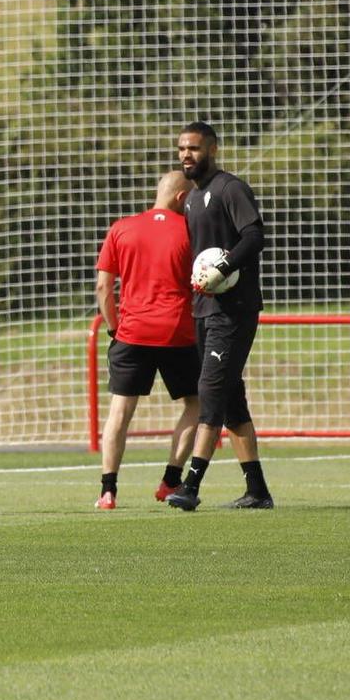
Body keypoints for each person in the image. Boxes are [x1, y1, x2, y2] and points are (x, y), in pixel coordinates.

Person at [167, 120, 274, 511]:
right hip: (205, 308)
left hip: (234, 310)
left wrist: (225, 266)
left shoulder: (230, 189)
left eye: (193, 148)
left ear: (212, 149)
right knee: (231, 402)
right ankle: (257, 491)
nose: (185, 155)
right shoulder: (192, 198)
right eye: (181, 149)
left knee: (210, 393)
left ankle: (190, 486)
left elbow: (254, 236)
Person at [94, 169, 204, 509]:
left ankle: (108, 491)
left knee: (120, 412)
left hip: (132, 332)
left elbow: (103, 287)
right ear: (182, 198)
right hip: (178, 332)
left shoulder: (121, 228)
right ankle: (170, 480)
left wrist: (114, 326)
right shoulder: (191, 230)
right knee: (196, 404)